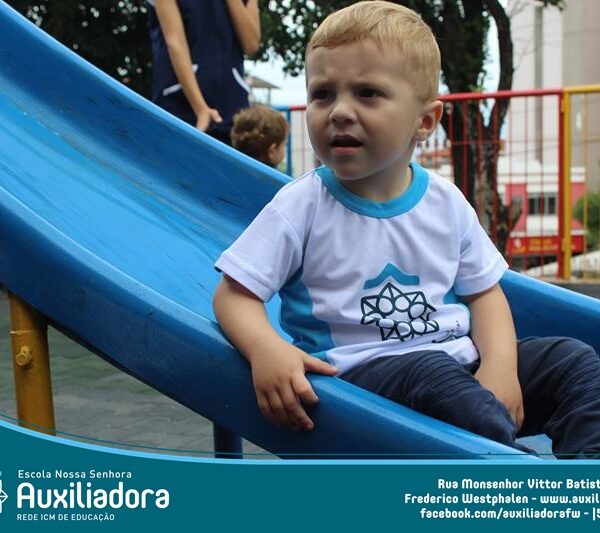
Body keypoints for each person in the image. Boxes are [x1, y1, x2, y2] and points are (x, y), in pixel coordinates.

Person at [212, 1, 600, 457]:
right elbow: (233, 296)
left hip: (460, 363)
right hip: (362, 380)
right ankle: (513, 479)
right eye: (322, 94)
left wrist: (500, 366)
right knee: (436, 377)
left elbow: (485, 295)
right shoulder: (301, 206)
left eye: (367, 93)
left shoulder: (445, 202)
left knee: (574, 360)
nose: (339, 111)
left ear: (425, 121)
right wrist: (266, 349)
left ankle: (585, 474)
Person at [147, 0, 260, 144]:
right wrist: (200, 108)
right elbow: (175, 43)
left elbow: (251, 44)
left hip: (232, 110)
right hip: (179, 107)